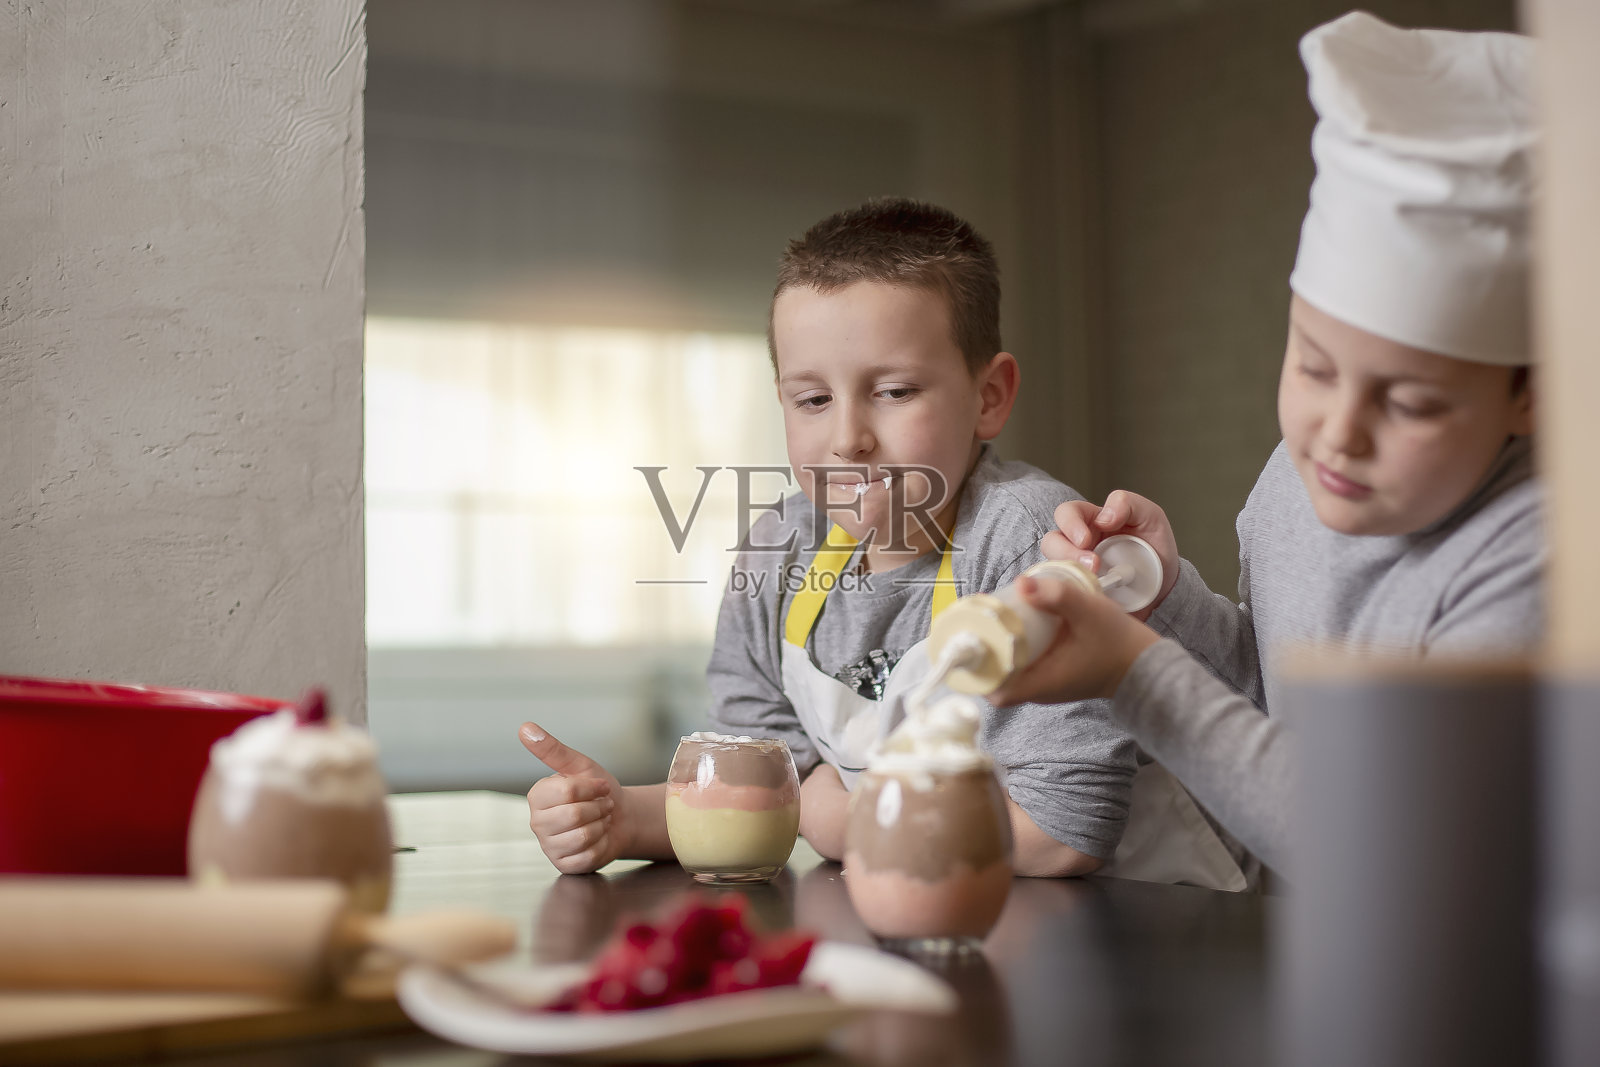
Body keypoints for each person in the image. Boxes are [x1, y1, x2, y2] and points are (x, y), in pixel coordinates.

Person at [990, 11, 1541, 880]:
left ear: (1531, 396)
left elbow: (1390, 846)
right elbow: (1272, 716)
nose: (1338, 432)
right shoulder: (1298, 477)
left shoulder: (1542, 554)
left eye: (1412, 402)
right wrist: (1164, 603)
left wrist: (1133, 675)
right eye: (1315, 367)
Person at [519, 198, 1155, 879]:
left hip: (1128, 925)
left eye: (895, 390)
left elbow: (1063, 831)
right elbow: (756, 785)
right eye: (814, 400)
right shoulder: (779, 549)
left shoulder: (1030, 544)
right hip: (908, 918)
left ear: (990, 395)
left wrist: (829, 813)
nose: (848, 439)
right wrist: (625, 818)